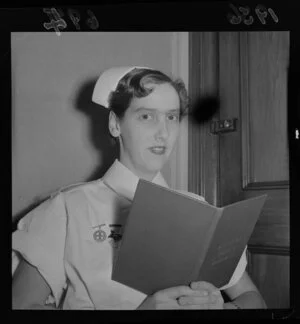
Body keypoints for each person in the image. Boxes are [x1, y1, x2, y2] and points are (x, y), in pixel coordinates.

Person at [12, 66, 267, 310]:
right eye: (147, 116)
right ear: (115, 124)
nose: (163, 133)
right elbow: (20, 306)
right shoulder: (66, 208)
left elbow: (253, 299)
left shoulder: (200, 211)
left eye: (172, 117)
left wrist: (221, 308)